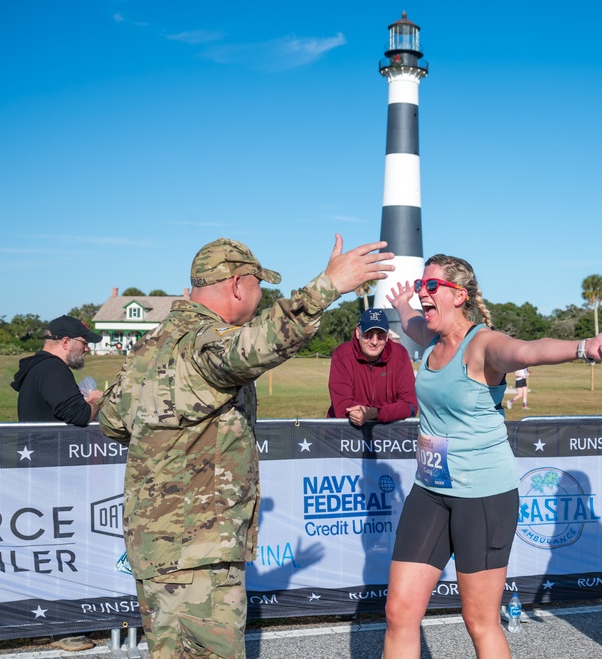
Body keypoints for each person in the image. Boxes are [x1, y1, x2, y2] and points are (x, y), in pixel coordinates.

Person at [98, 236, 393, 659]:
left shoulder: (153, 344)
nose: (260, 296)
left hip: (158, 548)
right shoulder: (203, 342)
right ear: (237, 284)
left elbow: (112, 419)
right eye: (258, 285)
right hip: (198, 549)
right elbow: (252, 347)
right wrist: (326, 287)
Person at [383, 254, 602, 659]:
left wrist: (585, 347)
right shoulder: (429, 338)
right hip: (430, 489)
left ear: (459, 295)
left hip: (482, 497)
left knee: (479, 621)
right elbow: (412, 322)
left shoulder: (483, 344)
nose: (421, 293)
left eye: (430, 286)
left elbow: (529, 351)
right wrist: (401, 304)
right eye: (419, 285)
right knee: (399, 612)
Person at [326, 307, 418, 426]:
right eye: (368, 335)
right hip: (346, 432)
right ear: (358, 333)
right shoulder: (342, 354)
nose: (374, 342)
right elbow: (342, 407)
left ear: (387, 336)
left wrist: (375, 413)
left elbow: (410, 406)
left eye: (380, 336)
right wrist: (385, 412)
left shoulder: (400, 355)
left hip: (388, 433)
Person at [11, 315, 104, 426]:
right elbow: (80, 415)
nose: (87, 349)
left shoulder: (39, 366)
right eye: (84, 343)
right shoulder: (53, 369)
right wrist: (95, 400)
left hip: (37, 437)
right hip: (47, 438)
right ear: (66, 342)